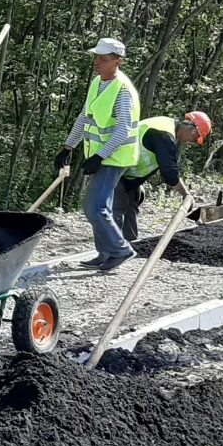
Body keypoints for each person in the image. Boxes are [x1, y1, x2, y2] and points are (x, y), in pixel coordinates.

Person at [54, 37, 142, 271]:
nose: (97, 62)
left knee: (95, 207)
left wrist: (99, 156)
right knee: (102, 206)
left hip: (115, 156)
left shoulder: (123, 91)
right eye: (96, 57)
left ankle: (120, 250)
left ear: (117, 61)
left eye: (103, 59)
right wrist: (68, 146)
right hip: (101, 155)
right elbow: (85, 116)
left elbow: (123, 129)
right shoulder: (97, 82)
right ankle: (105, 253)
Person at [112, 111, 212, 242]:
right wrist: (185, 194)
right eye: (194, 139)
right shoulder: (163, 134)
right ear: (192, 130)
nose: (190, 142)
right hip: (114, 168)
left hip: (127, 175)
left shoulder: (170, 131)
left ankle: (129, 245)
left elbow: (170, 168)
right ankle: (110, 251)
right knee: (118, 207)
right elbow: (170, 174)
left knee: (134, 200)